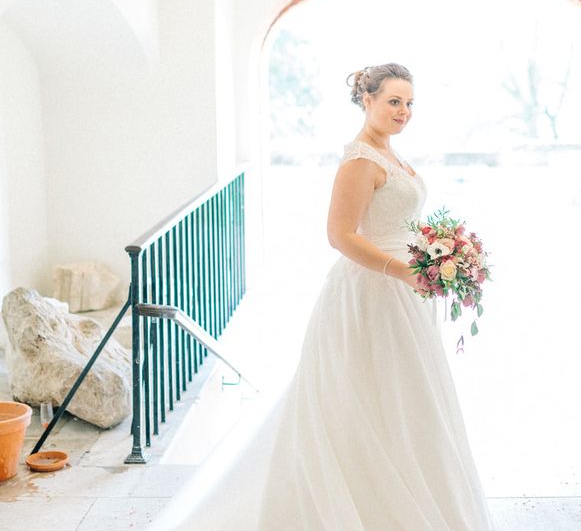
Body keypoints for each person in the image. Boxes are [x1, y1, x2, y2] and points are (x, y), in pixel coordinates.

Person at [154, 63, 491, 530]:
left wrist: (437, 255)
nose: (404, 111)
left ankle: (410, 490)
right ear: (367, 100)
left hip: (406, 291)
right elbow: (339, 235)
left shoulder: (390, 155)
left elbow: (397, 221)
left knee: (405, 397)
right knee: (363, 395)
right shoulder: (360, 161)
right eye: (394, 101)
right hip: (374, 290)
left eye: (410, 103)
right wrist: (403, 272)